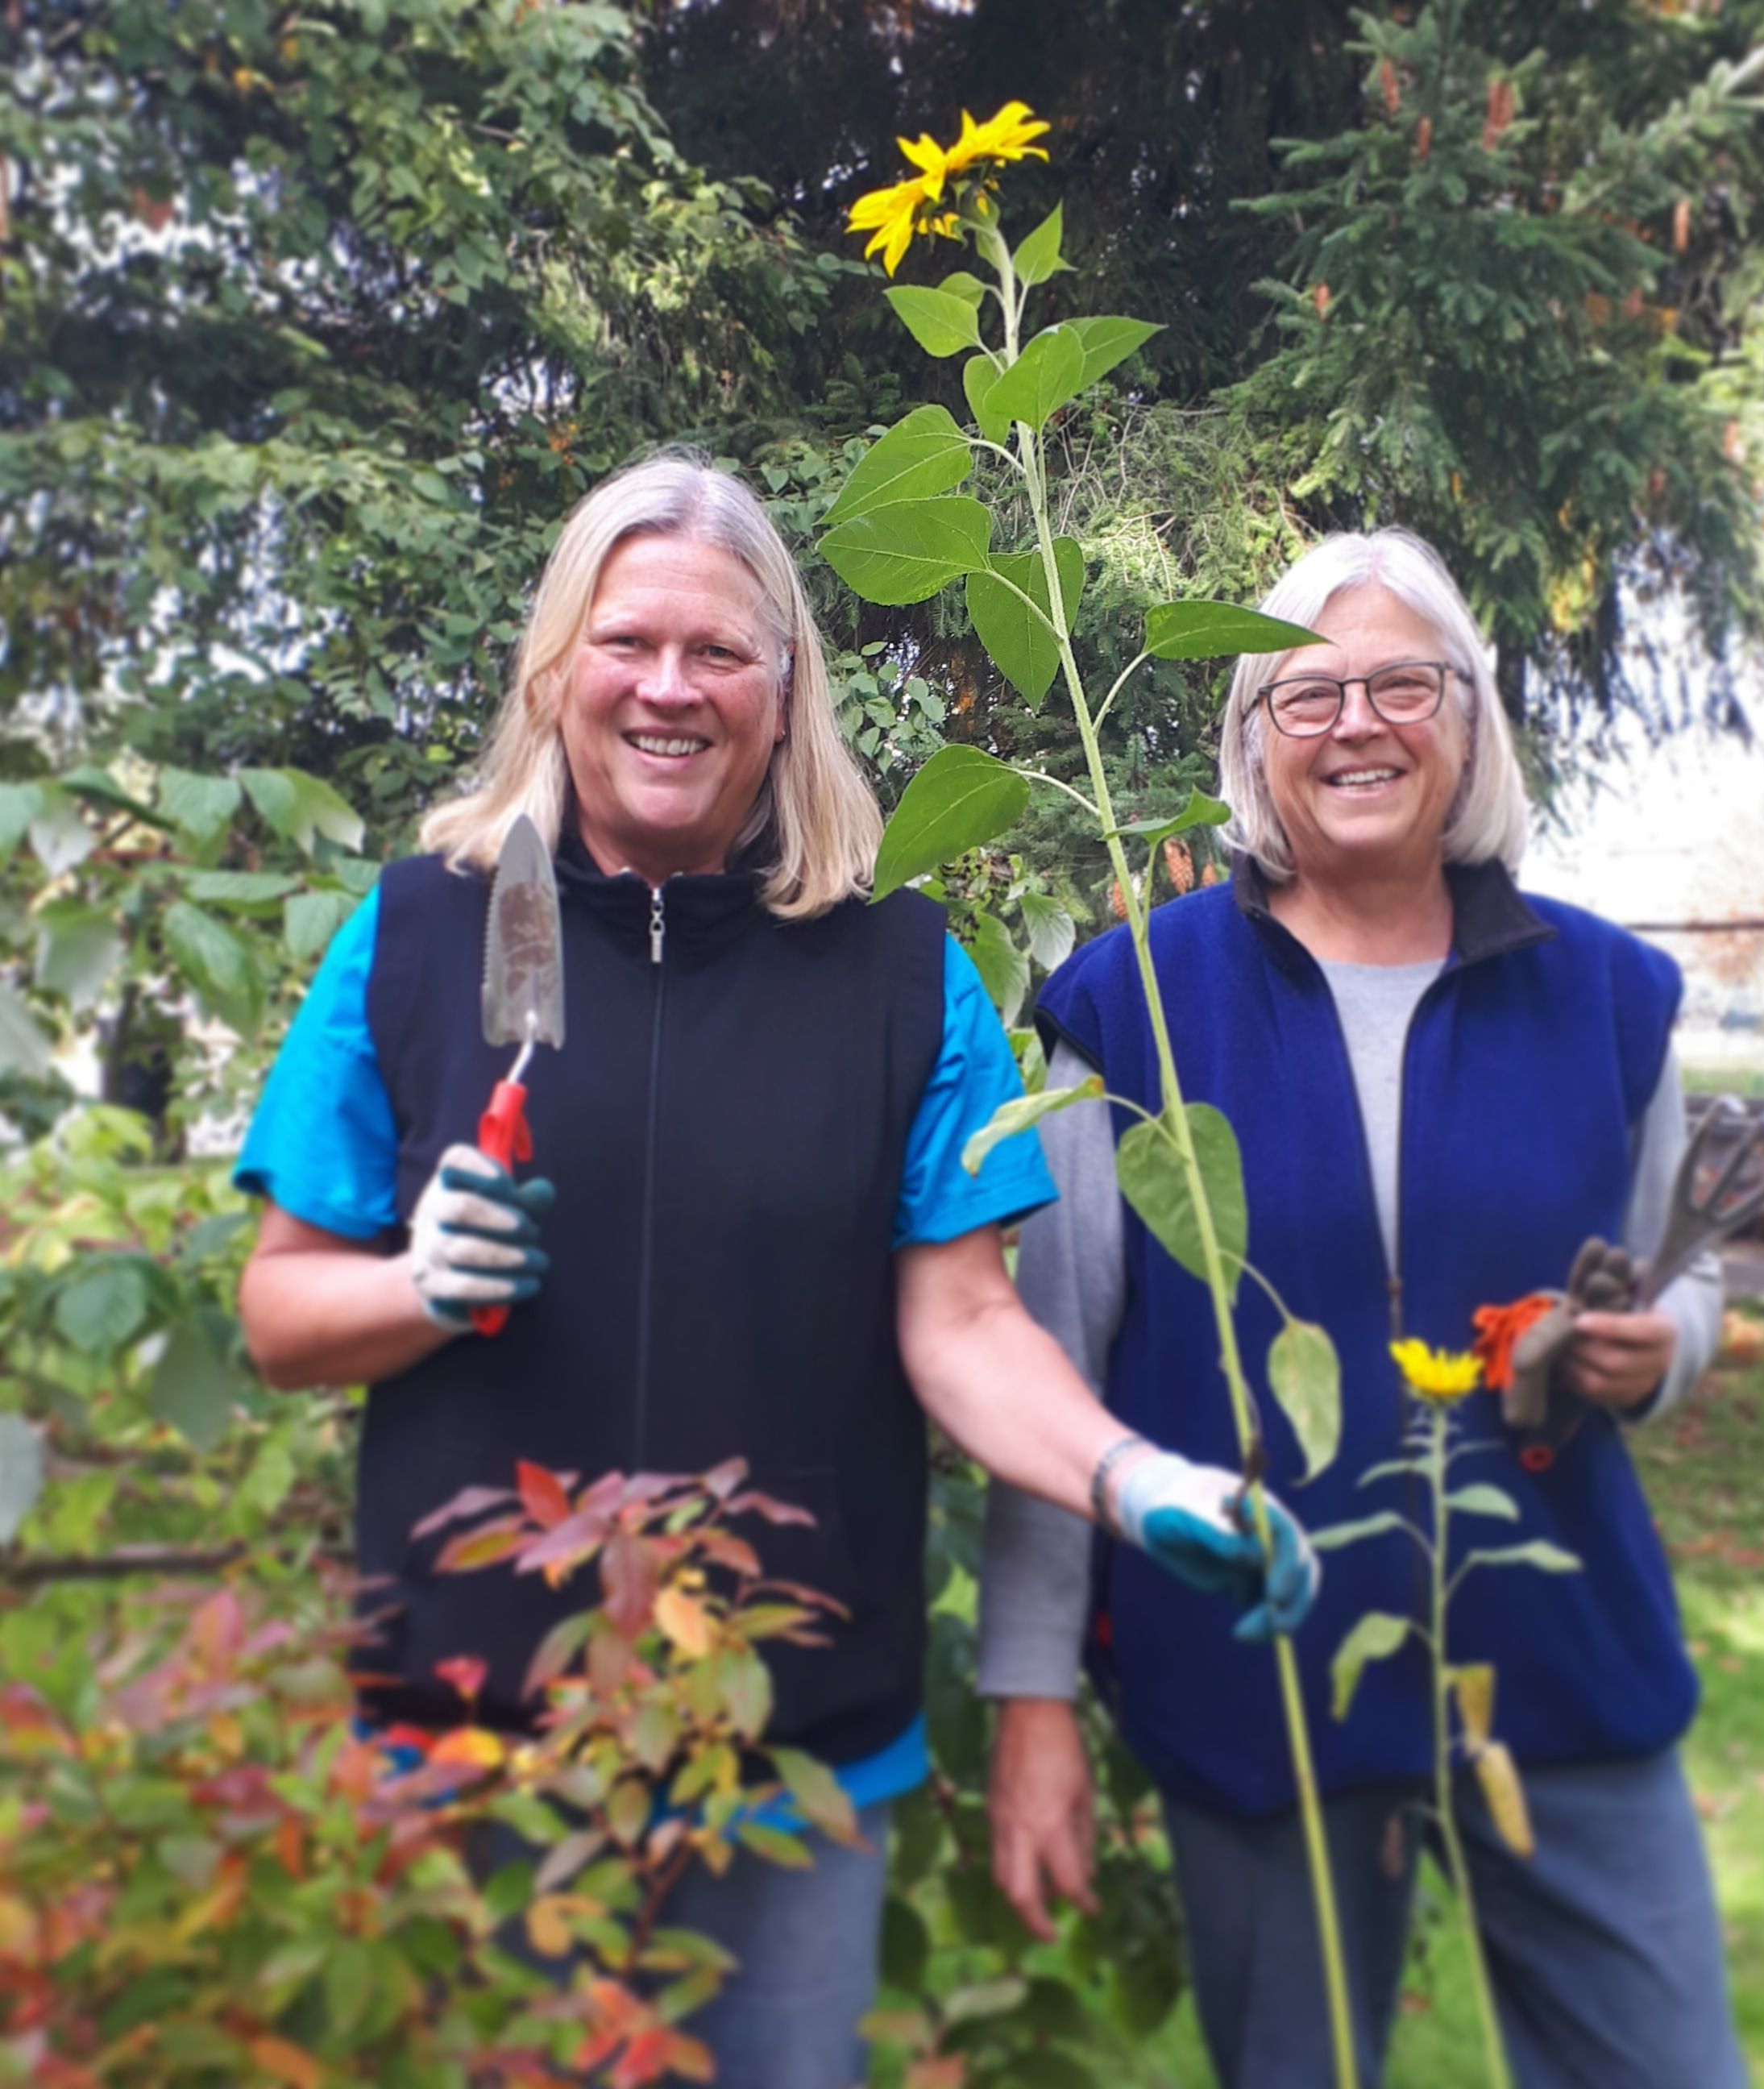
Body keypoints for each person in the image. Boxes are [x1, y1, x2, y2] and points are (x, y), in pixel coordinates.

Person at [234, 449, 1318, 2089]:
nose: (670, 688)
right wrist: (416, 1287)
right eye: (627, 642)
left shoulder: (903, 974)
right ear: (557, 667)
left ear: (785, 685)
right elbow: (278, 1316)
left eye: (720, 652)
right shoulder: (425, 934)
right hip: (480, 1746)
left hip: (799, 1754)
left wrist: (1132, 1476)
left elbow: (959, 1325)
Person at [977, 530, 1748, 2089]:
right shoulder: (1134, 1005)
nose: (1358, 724)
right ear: (1253, 738)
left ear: (1466, 719)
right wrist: (1030, 1693)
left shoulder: (1605, 999)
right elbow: (1049, 1361)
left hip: (1557, 1643)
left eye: (1405, 682)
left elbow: (1696, 1266)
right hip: (1261, 1652)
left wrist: (1665, 1348)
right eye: (1306, 691)